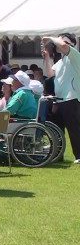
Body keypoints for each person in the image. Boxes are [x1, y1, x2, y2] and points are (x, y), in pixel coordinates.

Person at [42, 33, 80, 163]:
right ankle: (58, 154)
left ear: (72, 44)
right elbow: (50, 74)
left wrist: (53, 38)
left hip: (72, 98)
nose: (59, 43)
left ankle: (79, 156)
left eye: (63, 41)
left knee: (74, 128)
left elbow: (63, 45)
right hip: (59, 99)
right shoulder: (60, 61)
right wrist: (47, 57)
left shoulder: (74, 55)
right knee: (56, 129)